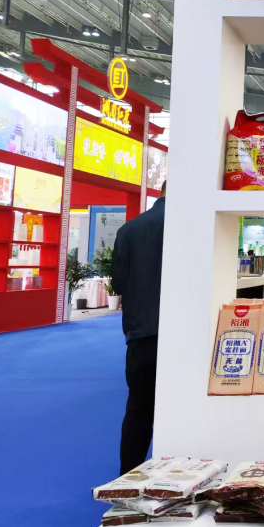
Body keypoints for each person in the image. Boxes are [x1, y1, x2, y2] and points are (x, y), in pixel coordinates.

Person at [112, 182, 166, 475]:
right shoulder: (192, 226)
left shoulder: (128, 230)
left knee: (138, 409)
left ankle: (127, 477)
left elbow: (119, 283)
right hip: (184, 336)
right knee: (184, 407)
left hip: (141, 331)